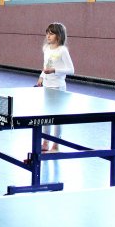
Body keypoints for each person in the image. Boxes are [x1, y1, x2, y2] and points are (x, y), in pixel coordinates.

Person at [36, 22, 74, 152]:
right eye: (47, 33)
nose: (48, 36)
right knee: (46, 116)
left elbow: (71, 70)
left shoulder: (63, 50)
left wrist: (54, 70)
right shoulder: (46, 49)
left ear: (59, 35)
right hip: (47, 87)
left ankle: (56, 144)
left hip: (58, 88)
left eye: (51, 34)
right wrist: (41, 76)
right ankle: (45, 142)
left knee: (57, 117)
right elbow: (46, 65)